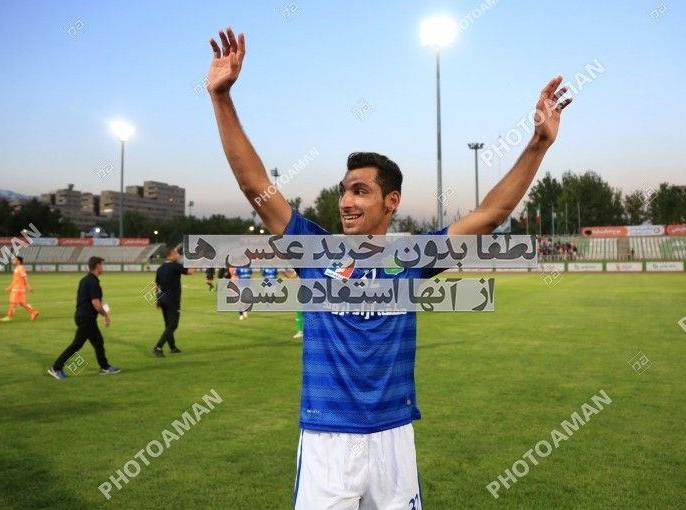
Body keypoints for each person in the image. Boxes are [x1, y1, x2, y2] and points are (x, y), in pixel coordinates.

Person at [206, 26, 571, 509]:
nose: (346, 201)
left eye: (360, 191)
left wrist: (538, 144)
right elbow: (256, 185)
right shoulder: (313, 248)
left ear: (391, 201)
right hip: (327, 438)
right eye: (344, 191)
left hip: (393, 437)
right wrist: (222, 98)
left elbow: (490, 216)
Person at [48, 257, 120, 379]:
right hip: (87, 318)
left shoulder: (85, 280)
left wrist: (103, 312)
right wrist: (106, 315)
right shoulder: (93, 281)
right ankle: (56, 368)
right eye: (102, 265)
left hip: (83, 316)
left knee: (98, 342)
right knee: (77, 344)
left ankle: (104, 367)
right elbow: (96, 304)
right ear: (97, 266)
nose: (103, 267)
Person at [153, 247, 196, 357]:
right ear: (171, 255)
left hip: (162, 300)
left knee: (168, 324)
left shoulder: (160, 268)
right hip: (172, 300)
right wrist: (198, 260)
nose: (178, 255)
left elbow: (157, 285)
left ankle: (172, 347)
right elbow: (191, 271)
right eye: (176, 253)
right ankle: (158, 347)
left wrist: (157, 300)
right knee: (173, 325)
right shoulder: (175, 266)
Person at [0, 256, 39, 322]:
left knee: (13, 303)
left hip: (17, 289)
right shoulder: (17, 268)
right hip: (19, 289)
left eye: (14, 260)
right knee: (23, 303)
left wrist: (29, 287)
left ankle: (9, 317)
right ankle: (34, 312)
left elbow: (24, 278)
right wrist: (9, 288)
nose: (13, 261)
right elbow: (15, 280)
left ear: (18, 261)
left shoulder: (20, 268)